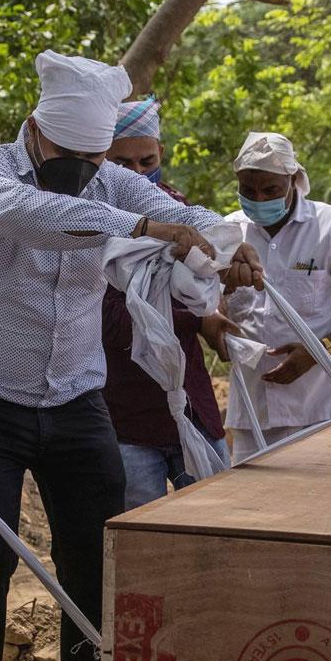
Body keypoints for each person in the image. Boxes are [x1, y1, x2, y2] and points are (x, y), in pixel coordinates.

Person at [0, 53, 262, 661]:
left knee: (93, 557)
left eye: (94, 158)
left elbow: (185, 216)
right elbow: (43, 216)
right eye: (70, 156)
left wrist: (230, 248)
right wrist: (145, 224)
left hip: (77, 397)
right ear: (35, 132)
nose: (83, 170)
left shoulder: (109, 178)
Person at [223, 132, 331, 452]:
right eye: (248, 190)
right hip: (253, 415)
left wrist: (320, 351)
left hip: (325, 413)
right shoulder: (227, 233)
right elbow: (209, 307)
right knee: (253, 502)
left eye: (270, 190)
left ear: (293, 180)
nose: (259, 199)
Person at [101, 97, 233, 507]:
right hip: (123, 411)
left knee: (218, 522)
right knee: (143, 536)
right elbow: (106, 316)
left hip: (190, 404)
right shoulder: (84, 219)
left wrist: (213, 319)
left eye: (147, 161)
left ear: (161, 154)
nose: (138, 173)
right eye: (122, 164)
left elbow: (204, 282)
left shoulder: (178, 211)